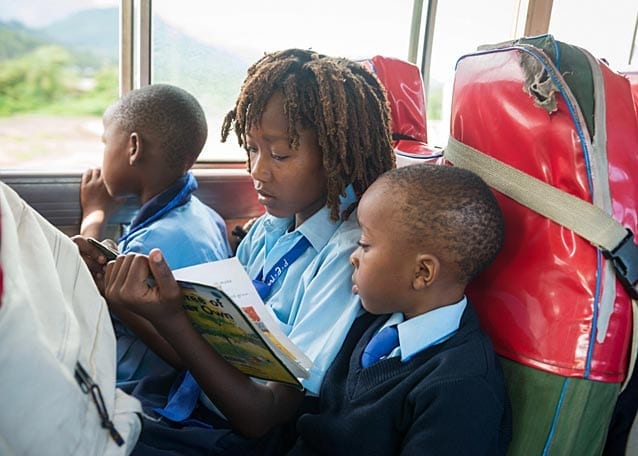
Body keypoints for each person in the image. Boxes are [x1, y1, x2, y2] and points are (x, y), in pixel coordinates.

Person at [77, 48, 396, 454]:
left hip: (231, 438)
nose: (257, 171)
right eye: (251, 149)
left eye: (279, 154)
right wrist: (130, 297)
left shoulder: (347, 255)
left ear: (336, 155)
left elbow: (262, 417)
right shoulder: (268, 229)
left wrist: (173, 318)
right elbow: (203, 354)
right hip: (188, 407)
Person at [288, 163, 511, 455]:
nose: (352, 258)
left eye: (365, 245)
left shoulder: (461, 389)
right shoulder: (371, 321)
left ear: (422, 272)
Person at [74, 83, 233, 389]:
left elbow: (84, 292)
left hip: (143, 385)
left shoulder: (150, 248)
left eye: (106, 142)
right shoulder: (205, 215)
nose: (103, 154)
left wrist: (94, 216)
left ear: (133, 148)